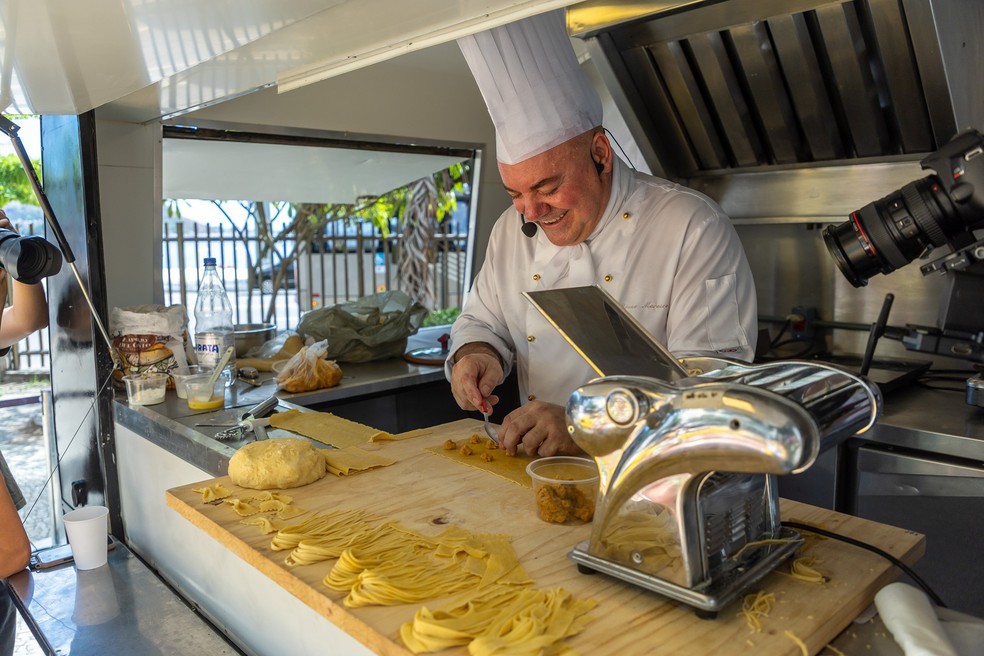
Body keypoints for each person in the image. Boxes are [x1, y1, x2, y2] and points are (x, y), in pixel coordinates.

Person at [446, 10, 757, 457]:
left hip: (656, 483)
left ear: (600, 154)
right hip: (543, 477)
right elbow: (481, 320)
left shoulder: (690, 228)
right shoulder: (510, 232)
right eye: (515, 192)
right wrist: (479, 354)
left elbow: (713, 393)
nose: (531, 212)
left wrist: (583, 427)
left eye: (547, 188)